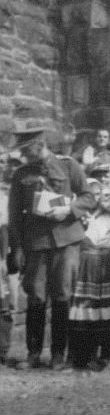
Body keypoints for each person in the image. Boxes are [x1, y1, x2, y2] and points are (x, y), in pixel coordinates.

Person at [7, 127, 96, 370]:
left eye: (28, 150)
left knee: (62, 296)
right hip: (35, 243)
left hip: (66, 240)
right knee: (35, 297)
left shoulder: (68, 166)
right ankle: (33, 354)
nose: (25, 155)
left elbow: (89, 197)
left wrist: (68, 210)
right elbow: (14, 216)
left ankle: (58, 355)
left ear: (41, 144)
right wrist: (17, 248)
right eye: (22, 151)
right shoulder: (21, 174)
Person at [68, 179, 110, 371]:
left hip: (103, 266)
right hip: (84, 264)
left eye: (100, 194)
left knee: (103, 310)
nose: (96, 198)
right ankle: (80, 357)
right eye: (92, 194)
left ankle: (105, 356)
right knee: (82, 308)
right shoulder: (81, 215)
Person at [0, 148, 12, 366]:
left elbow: (4, 230)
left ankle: (1, 351)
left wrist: (3, 259)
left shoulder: (5, 194)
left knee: (3, 301)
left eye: (3, 161)